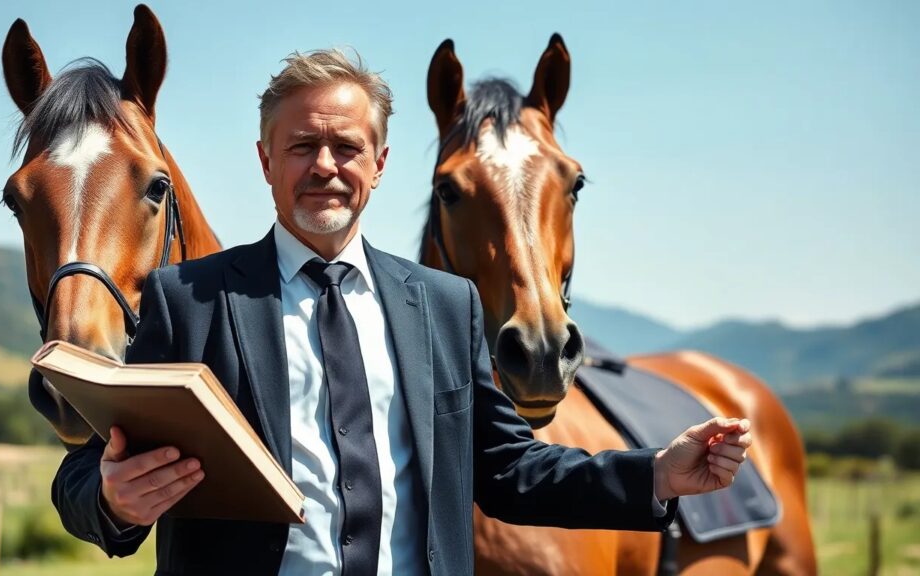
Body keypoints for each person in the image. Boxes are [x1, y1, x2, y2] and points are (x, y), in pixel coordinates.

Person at [52, 49, 753, 576]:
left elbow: (511, 468)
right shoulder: (189, 300)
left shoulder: (446, 308)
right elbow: (83, 472)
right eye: (302, 146)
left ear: (380, 163)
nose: (325, 165)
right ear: (265, 160)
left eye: (346, 147)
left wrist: (656, 473)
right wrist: (111, 500)